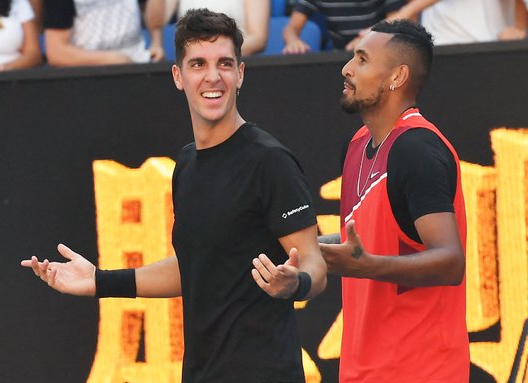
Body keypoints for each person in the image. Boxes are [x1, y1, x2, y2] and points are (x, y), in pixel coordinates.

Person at [21, 8, 327, 383]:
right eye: (198, 64)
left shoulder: (270, 161)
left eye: (225, 64)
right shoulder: (187, 163)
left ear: (240, 74)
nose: (213, 77)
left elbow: (315, 261)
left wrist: (297, 283)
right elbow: (196, 266)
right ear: (178, 76)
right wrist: (101, 281)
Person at [319, 20, 469, 382]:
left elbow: (450, 261)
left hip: (422, 371)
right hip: (363, 371)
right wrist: (299, 247)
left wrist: (366, 266)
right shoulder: (356, 145)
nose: (347, 68)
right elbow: (362, 244)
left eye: (362, 59)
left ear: (397, 77)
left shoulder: (418, 149)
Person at [281, 0, 435, 54]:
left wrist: (368, 39)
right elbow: (291, 28)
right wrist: (292, 41)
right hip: (340, 60)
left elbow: (396, 25)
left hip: (381, 55)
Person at [144, 0, 270, 60]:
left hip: (233, 66)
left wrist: (214, 55)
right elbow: (155, 21)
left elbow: (258, 38)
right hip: (193, 70)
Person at [43, 0, 151, 67]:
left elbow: (153, 17)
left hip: (142, 71)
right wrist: (114, 60)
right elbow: (56, 53)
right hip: (91, 80)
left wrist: (157, 42)